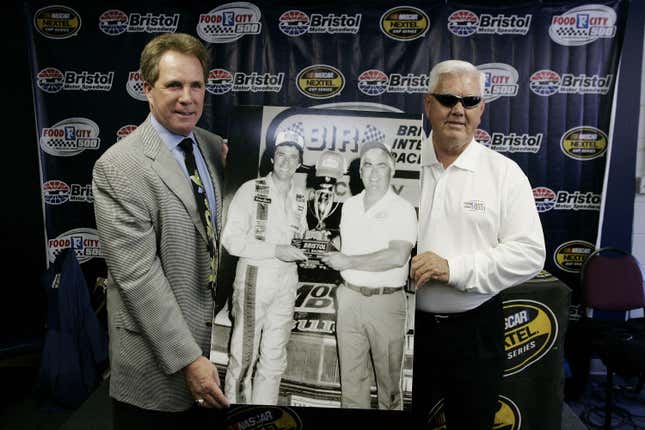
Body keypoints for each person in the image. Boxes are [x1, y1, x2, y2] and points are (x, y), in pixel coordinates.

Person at [92, 33, 229, 428]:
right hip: (157, 363)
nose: (187, 97)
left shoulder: (213, 147)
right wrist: (189, 358)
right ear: (147, 88)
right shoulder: (120, 166)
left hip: (217, 354)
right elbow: (138, 277)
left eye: (196, 85)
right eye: (174, 85)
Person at [411, 60, 546, 428]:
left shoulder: (504, 173)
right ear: (428, 103)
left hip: (475, 330)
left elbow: (529, 254)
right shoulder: (393, 165)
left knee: (472, 423)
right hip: (401, 325)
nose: (459, 109)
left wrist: (453, 269)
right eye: (447, 98)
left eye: (470, 101)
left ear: (481, 110)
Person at [321, 141, 417, 410]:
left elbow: (397, 256)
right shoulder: (349, 206)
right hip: (349, 298)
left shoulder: (402, 209)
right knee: (351, 384)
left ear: (392, 170)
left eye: (381, 165)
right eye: (367, 166)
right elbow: (346, 243)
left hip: (385, 303)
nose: (373, 173)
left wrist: (347, 260)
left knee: (389, 390)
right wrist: (323, 245)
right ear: (359, 172)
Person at [222, 130, 308, 405]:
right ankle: (237, 415)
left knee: (274, 356)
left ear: (299, 163)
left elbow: (301, 237)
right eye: (281, 154)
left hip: (287, 279)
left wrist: (313, 245)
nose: (286, 161)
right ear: (272, 158)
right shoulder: (252, 188)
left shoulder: (301, 198)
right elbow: (231, 240)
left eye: (293, 157)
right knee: (244, 355)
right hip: (255, 275)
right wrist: (275, 250)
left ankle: (264, 414)